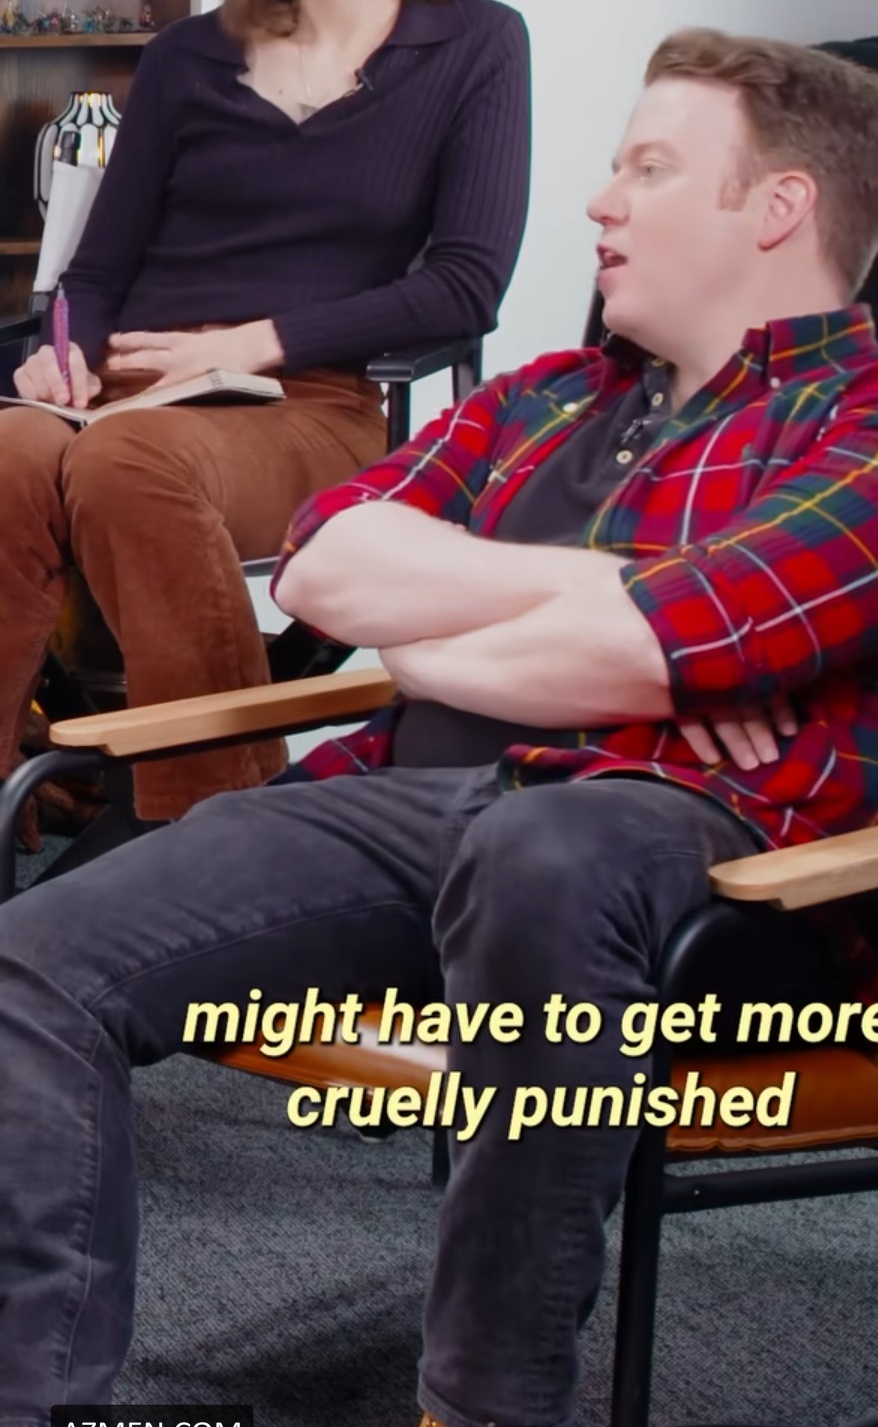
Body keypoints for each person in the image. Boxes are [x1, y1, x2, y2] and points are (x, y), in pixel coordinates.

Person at [0, 25, 878, 1427]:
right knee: (35, 957)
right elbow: (330, 569)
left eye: (649, 167)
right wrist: (578, 617)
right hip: (413, 808)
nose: (600, 200)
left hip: (708, 867)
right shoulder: (540, 397)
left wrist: (481, 619)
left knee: (539, 849)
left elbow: (658, 642)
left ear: (779, 207)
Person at [0, 0, 530, 842]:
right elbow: (97, 272)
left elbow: (466, 284)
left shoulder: (474, 42)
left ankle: (215, 831)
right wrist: (66, 352)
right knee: (11, 450)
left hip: (310, 399)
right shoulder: (186, 54)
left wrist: (255, 342)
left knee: (127, 460)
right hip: (124, 387)